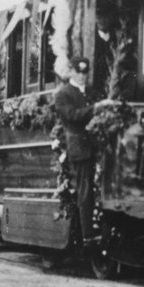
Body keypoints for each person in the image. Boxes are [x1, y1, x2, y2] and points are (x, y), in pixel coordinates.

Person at [53, 56, 101, 245]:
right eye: (79, 72)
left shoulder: (92, 92)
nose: (82, 76)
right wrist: (95, 108)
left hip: (95, 146)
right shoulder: (63, 94)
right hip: (79, 147)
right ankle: (87, 233)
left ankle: (95, 228)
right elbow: (72, 116)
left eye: (85, 72)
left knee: (94, 188)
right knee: (85, 189)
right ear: (71, 71)